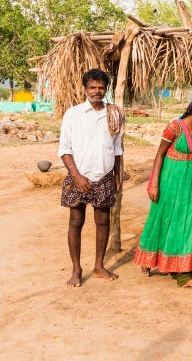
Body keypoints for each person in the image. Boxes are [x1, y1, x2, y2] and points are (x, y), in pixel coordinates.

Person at [134, 96, 192, 289]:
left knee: (188, 222)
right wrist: (154, 184)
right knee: (164, 218)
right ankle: (151, 259)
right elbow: (160, 154)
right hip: (170, 179)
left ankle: (183, 273)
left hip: (191, 181)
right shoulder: (174, 128)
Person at [59, 68, 123, 287]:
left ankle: (98, 266)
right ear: (85, 88)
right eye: (92, 87)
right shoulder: (73, 114)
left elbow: (117, 148)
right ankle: (76, 269)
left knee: (103, 222)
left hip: (104, 177)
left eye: (101, 88)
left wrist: (116, 175)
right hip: (79, 177)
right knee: (76, 222)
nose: (97, 91)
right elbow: (65, 149)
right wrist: (76, 176)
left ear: (107, 89)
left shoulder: (113, 113)